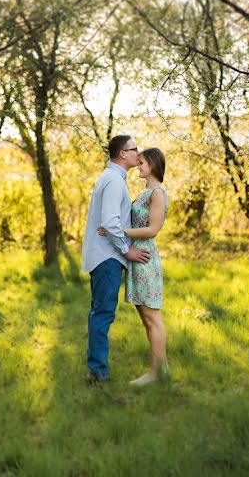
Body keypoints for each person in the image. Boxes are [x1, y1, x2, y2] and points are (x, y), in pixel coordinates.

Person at [81, 135, 151, 383]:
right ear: (123, 153)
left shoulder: (113, 179)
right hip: (107, 258)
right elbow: (110, 222)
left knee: (100, 312)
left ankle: (96, 369)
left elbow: (110, 222)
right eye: (134, 149)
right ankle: (98, 373)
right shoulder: (113, 181)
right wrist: (126, 249)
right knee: (102, 314)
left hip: (105, 256)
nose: (138, 153)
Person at [100, 148, 170, 386]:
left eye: (141, 163)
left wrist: (117, 232)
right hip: (137, 258)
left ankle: (155, 373)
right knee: (146, 317)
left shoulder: (158, 193)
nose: (138, 166)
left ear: (152, 163)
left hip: (146, 258)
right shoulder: (146, 192)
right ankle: (163, 370)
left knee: (152, 318)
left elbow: (152, 229)